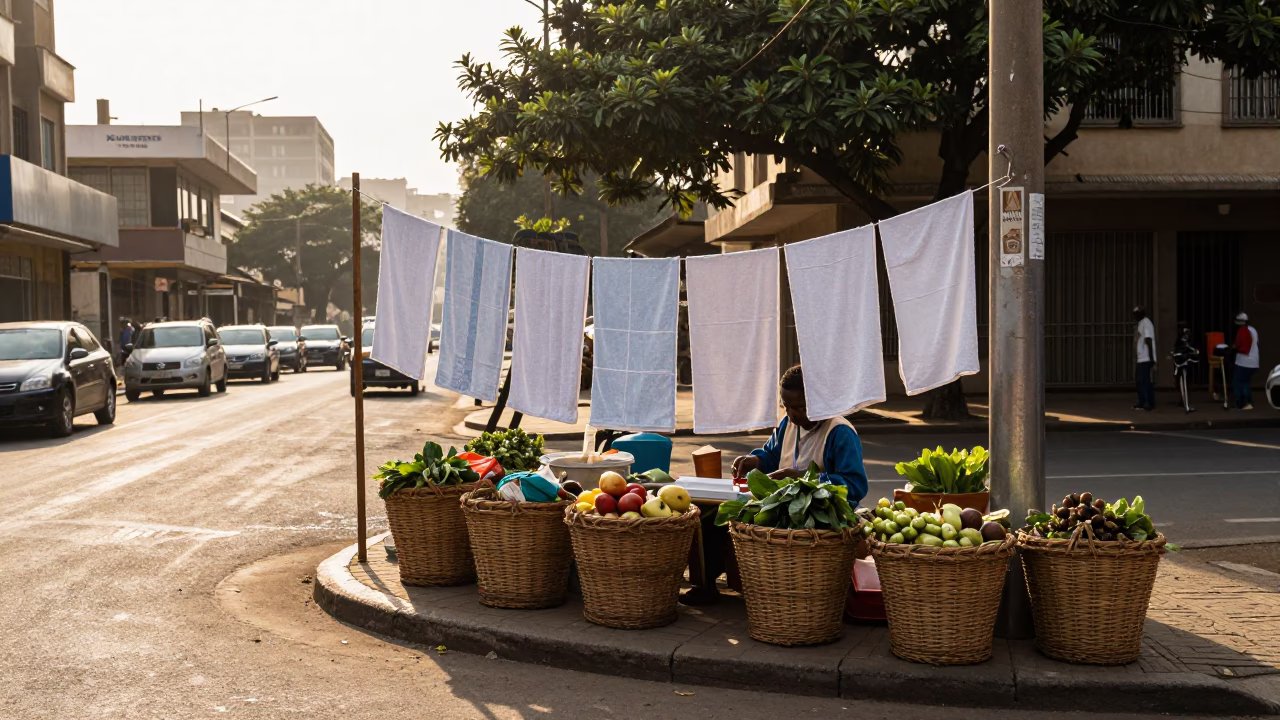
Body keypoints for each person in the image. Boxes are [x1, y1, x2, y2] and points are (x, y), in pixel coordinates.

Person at [680, 366, 869, 607]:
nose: (792, 414)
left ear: (820, 402)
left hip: (824, 514)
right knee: (714, 514)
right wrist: (754, 460)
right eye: (786, 406)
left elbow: (854, 485)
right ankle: (707, 584)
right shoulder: (788, 424)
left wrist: (801, 478)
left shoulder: (840, 432)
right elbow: (771, 454)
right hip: (785, 506)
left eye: (800, 407)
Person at [1231, 312, 1260, 410]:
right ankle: (1249, 402)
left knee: (1239, 382)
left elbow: (1240, 345)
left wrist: (1232, 348)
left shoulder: (1243, 330)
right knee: (1246, 382)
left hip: (1244, 361)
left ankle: (1243, 403)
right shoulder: (1253, 330)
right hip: (1254, 361)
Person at [1132, 306, 1156, 411]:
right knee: (1139, 381)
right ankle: (1142, 402)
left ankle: (1149, 403)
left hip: (1146, 358)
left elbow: (1148, 340)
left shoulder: (1146, 323)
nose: (1135, 316)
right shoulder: (1141, 323)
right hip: (1141, 358)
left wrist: (1151, 359)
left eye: (1137, 314)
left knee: (1145, 381)